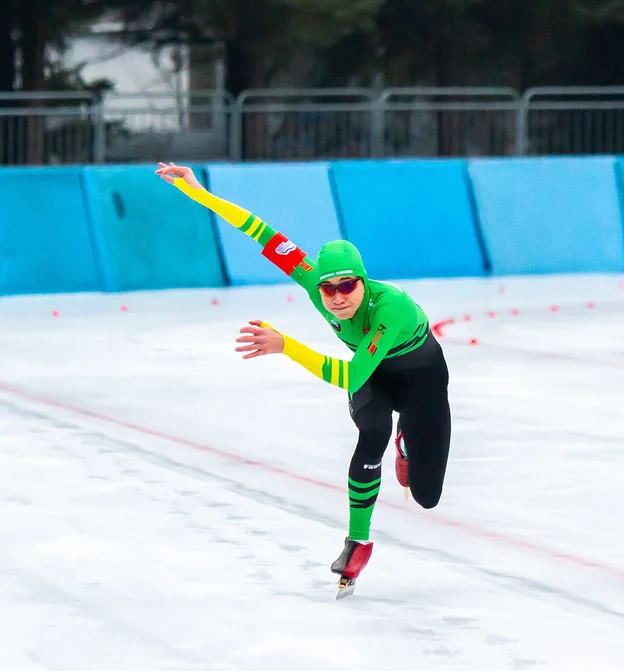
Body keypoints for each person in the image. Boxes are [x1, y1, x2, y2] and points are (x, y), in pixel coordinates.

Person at [154, 162, 452, 597]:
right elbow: (257, 229)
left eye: (346, 287)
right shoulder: (312, 280)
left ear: (363, 283)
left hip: (421, 379)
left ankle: (406, 440)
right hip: (376, 374)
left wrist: (285, 345)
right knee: (371, 430)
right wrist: (196, 189)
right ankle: (358, 541)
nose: (335, 298)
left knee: (426, 496)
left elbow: (349, 373)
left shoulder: (391, 311)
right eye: (328, 289)